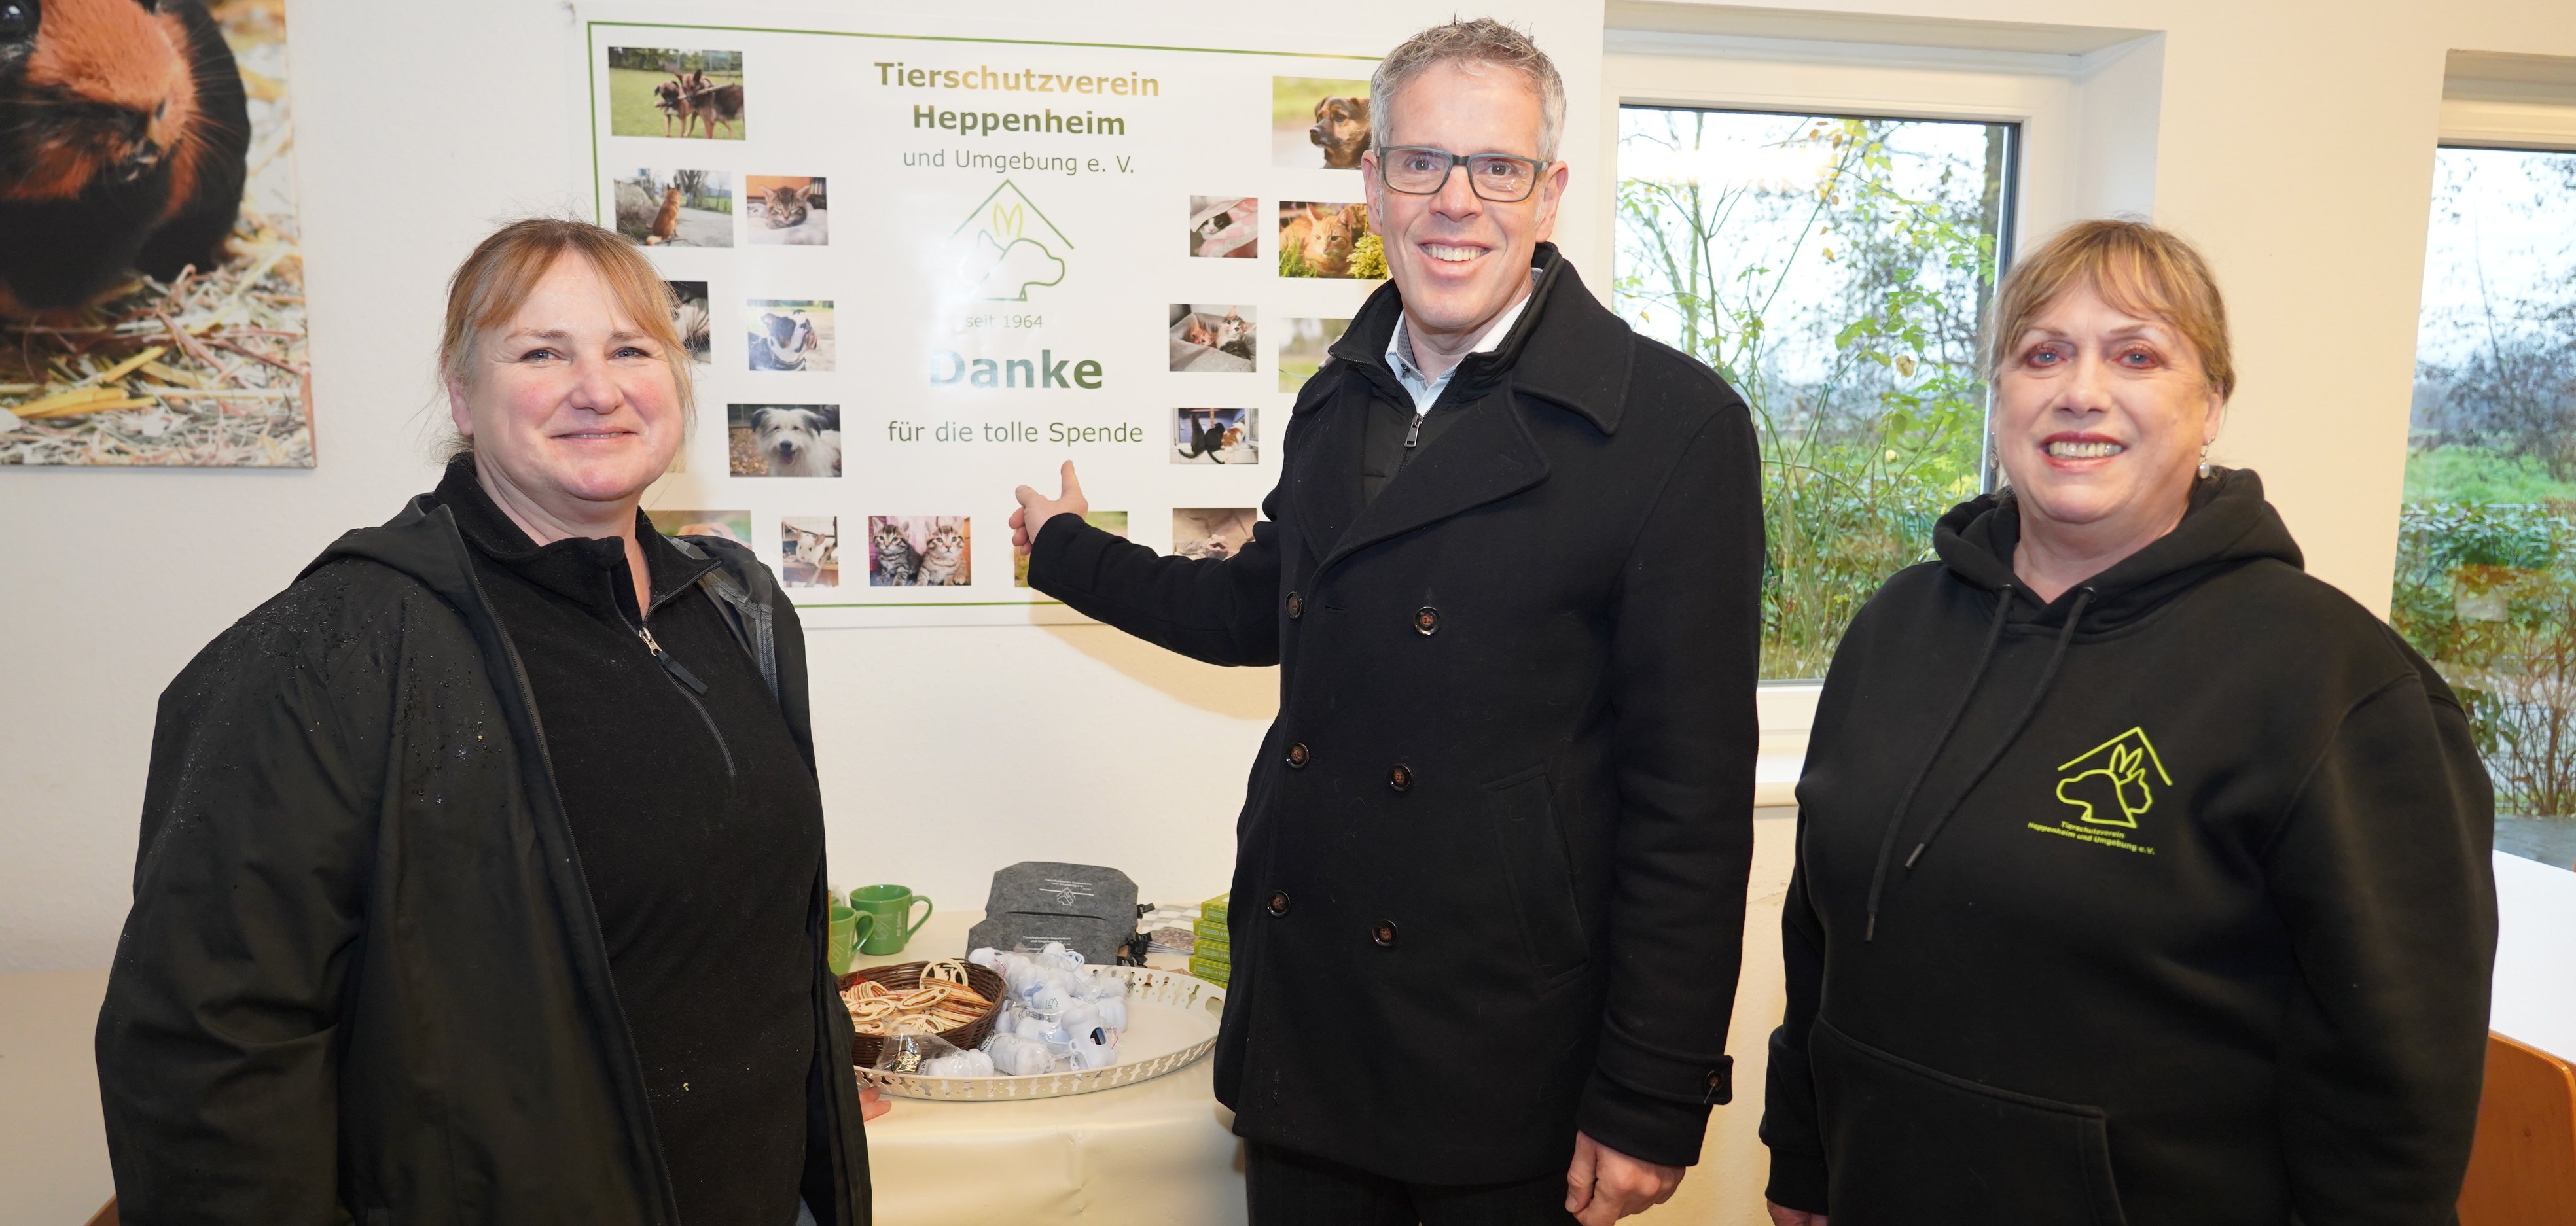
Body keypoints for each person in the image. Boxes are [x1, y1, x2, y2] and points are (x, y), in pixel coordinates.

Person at [1011, 19, 1763, 1226]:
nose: (1454, 200)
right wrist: (1069, 552)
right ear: (1372, 184)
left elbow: (1692, 801)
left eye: (1496, 166)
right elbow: (1261, 603)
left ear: (1549, 192)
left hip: (1505, 1052)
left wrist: (1651, 1094)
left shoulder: (1673, 431)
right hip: (1309, 1023)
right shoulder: (1337, 395)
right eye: (1420, 162)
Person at [95, 219, 878, 1225]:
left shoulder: (735, 609)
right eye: (542, 352)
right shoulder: (336, 648)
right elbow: (209, 1049)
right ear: (463, 395)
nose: (597, 387)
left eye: (630, 349)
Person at [1759, 219, 2497, 1226]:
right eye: (2043, 353)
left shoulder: (2334, 682)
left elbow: (2396, 1085)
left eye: (2137, 354)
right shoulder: (1899, 626)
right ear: (2003, 393)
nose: (2081, 391)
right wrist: (1802, 1156)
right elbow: (1824, 930)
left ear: (2211, 404)